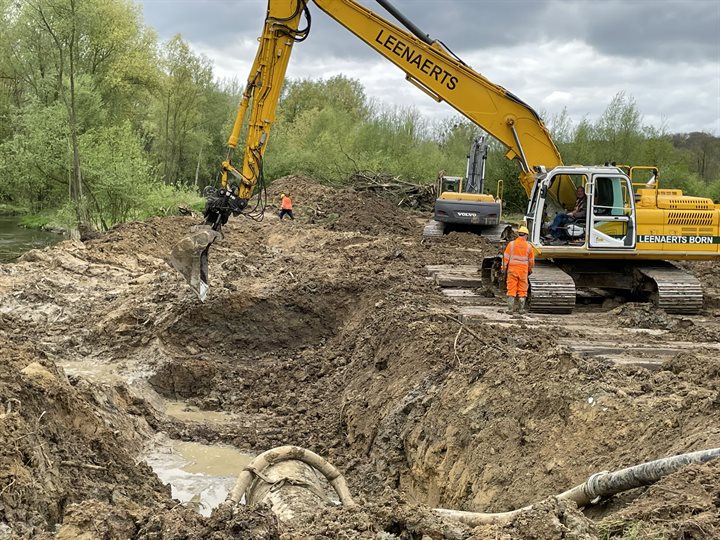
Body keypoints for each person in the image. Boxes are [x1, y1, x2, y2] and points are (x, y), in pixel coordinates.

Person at [502, 225, 535, 313]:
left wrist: (503, 268)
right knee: (522, 290)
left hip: (512, 270)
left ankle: (510, 309)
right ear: (526, 235)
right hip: (523, 272)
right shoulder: (529, 247)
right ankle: (521, 309)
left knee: (511, 289)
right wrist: (530, 269)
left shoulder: (511, 244)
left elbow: (505, 258)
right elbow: (531, 261)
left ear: (518, 234)